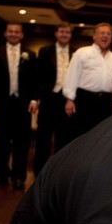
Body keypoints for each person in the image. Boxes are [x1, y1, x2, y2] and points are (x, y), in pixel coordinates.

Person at [0, 22, 38, 189]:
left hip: (23, 103)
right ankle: (0, 175)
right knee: (2, 141)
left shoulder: (29, 54)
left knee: (22, 142)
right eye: (10, 31)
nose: (13, 34)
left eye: (17, 32)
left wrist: (34, 99)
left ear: (22, 35)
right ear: (5, 34)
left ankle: (19, 177)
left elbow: (34, 80)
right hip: (2, 102)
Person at [62, 23, 112, 139]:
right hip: (84, 100)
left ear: (111, 38)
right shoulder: (82, 53)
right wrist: (69, 99)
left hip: (106, 102)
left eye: (108, 34)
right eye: (102, 33)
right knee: (80, 135)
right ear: (94, 36)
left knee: (102, 136)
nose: (105, 36)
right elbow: (72, 76)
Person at [33, 23, 74, 174]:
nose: (64, 34)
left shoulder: (75, 52)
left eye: (67, 32)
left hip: (67, 100)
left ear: (70, 35)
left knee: (63, 138)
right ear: (56, 33)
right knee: (43, 136)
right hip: (49, 98)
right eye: (62, 31)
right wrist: (39, 95)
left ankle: (57, 172)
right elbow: (38, 75)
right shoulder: (45, 51)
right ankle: (39, 171)